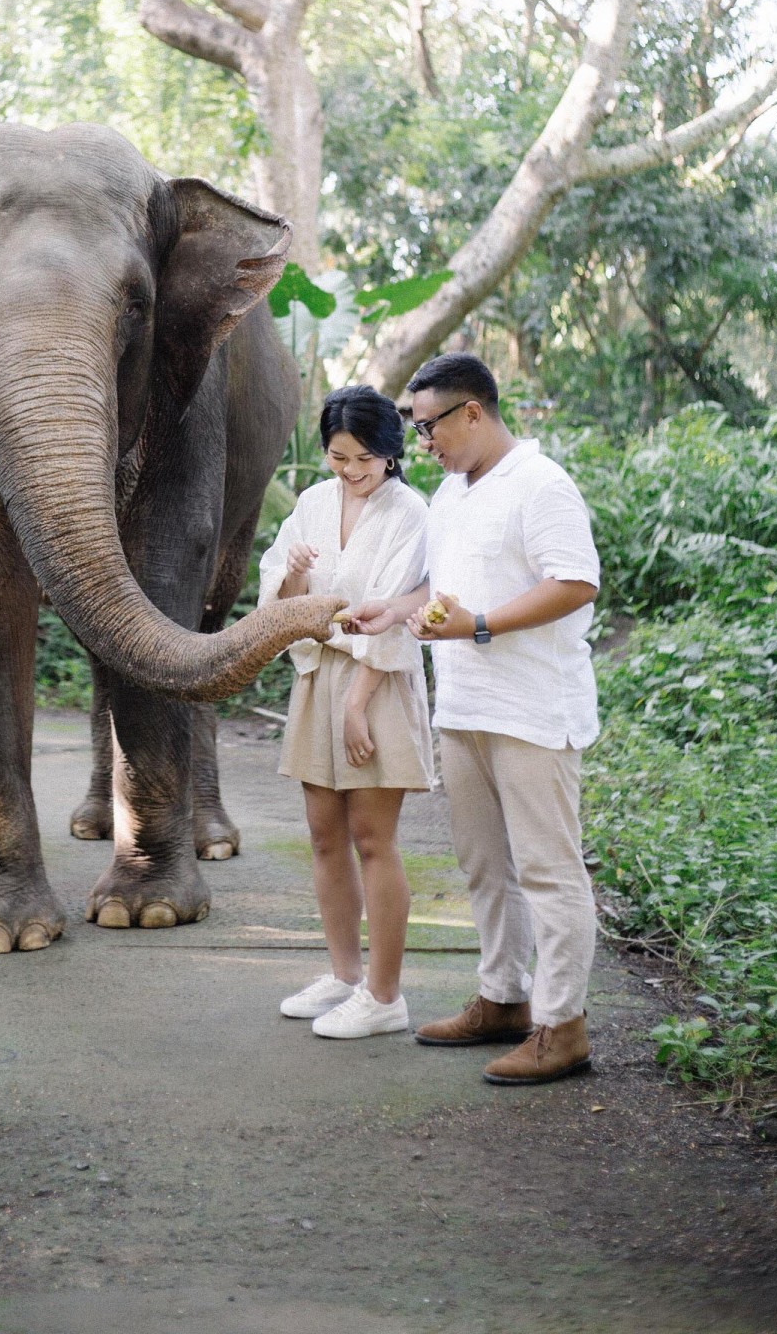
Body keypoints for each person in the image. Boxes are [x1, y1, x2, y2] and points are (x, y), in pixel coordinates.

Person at [344, 353, 600, 1085]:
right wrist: (394, 608)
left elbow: (576, 582)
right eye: (417, 429)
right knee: (485, 866)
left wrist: (479, 624)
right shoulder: (452, 494)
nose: (423, 443)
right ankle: (504, 999)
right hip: (464, 707)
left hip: (532, 710)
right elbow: (440, 586)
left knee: (547, 870)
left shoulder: (541, 484)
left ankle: (563, 1026)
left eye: (429, 428)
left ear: (474, 413)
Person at [259, 385, 433, 1040]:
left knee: (372, 838)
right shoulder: (312, 503)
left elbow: (398, 612)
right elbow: (283, 597)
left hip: (376, 679)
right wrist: (295, 572)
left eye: (365, 458)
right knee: (324, 834)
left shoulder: (410, 512)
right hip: (317, 674)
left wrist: (358, 706)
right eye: (338, 457)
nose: (352, 470)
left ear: (390, 452)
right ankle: (343, 975)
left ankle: (385, 996)